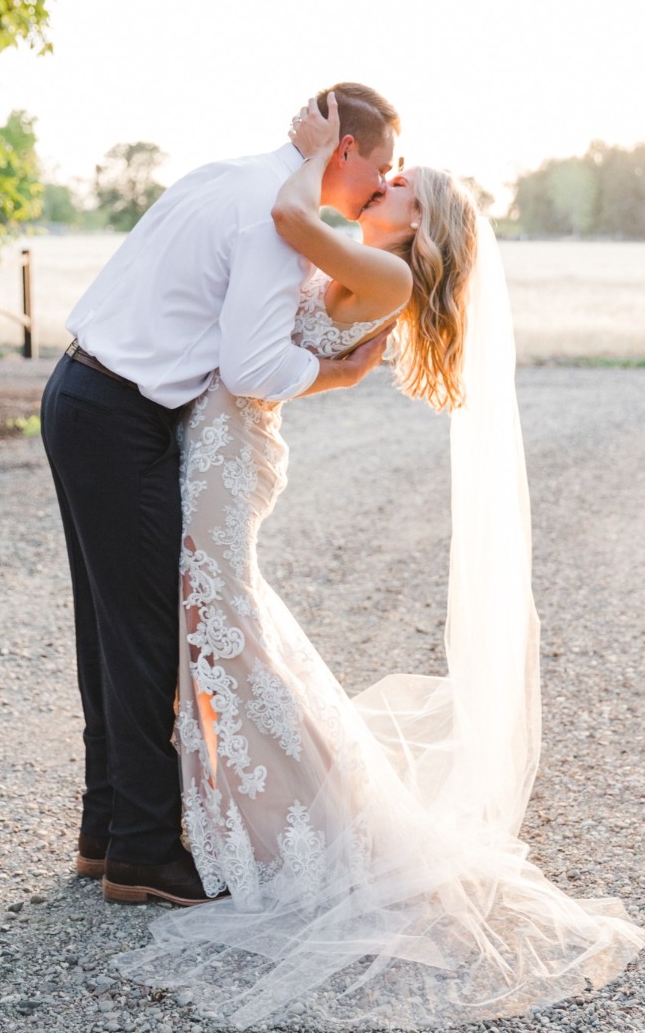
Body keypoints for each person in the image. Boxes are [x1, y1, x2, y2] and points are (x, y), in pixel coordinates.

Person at [113, 96, 645, 1027]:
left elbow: (287, 217)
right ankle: (227, 817)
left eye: (399, 186)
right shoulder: (365, 260)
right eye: (387, 174)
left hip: (232, 449)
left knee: (220, 614)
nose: (383, 185)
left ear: (421, 225)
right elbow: (285, 264)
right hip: (227, 439)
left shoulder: (384, 279)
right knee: (218, 614)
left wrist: (315, 152)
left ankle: (278, 834)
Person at [41, 84, 401, 906]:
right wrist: (337, 374)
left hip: (79, 392)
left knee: (106, 628)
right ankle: (140, 854)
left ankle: (105, 832)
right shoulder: (275, 229)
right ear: (343, 151)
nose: (382, 186)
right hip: (122, 416)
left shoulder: (228, 175)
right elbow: (251, 368)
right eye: (379, 169)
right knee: (140, 636)